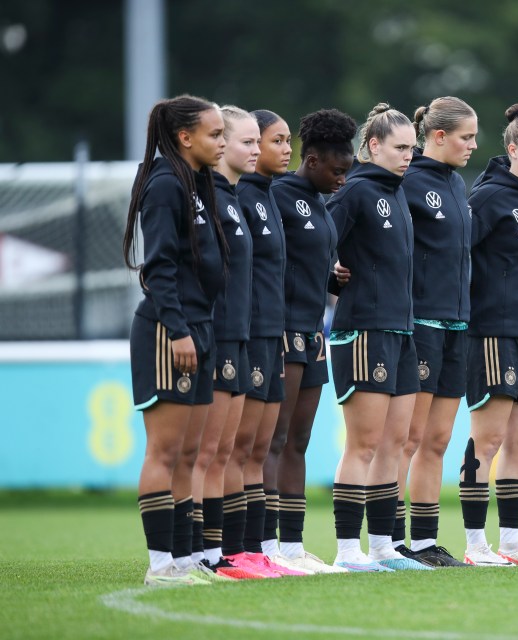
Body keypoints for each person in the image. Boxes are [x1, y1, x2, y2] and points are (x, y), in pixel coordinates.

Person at [122, 94, 228, 586]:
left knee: (190, 454)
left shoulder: (195, 184)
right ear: (185, 137)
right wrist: (179, 330)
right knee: (164, 452)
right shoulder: (165, 184)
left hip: (199, 328)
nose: (223, 142)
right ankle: (160, 563)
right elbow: (160, 266)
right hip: (170, 331)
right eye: (215, 134)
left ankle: (184, 559)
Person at [327, 103, 432, 572]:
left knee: (396, 442)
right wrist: (330, 274)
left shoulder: (399, 192)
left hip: (402, 331)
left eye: (413, 147)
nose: (409, 155)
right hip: (364, 331)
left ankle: (383, 547)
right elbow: (313, 244)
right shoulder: (354, 192)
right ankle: (348, 551)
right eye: (400, 147)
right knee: (363, 444)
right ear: (372, 146)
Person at [459, 104, 518, 567]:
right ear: (512, 149)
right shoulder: (490, 196)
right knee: (487, 441)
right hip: (495, 332)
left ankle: (511, 543)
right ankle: (475, 544)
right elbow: (457, 251)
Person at [265, 108, 357, 574]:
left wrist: (333, 279)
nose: (343, 179)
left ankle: (294, 546)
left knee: (299, 440)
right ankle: (264, 546)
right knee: (273, 438)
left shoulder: (321, 201)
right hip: (280, 330)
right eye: (337, 170)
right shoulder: (278, 195)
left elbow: (309, 268)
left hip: (312, 332)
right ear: (313, 159)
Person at [390, 97, 476, 568]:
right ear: (438, 137)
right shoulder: (408, 181)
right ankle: (392, 541)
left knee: (438, 441)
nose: (473, 145)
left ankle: (423, 541)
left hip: (458, 323)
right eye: (466, 136)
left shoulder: (457, 183)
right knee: (409, 437)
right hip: (420, 322)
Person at [189, 105, 267, 579]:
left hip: (240, 336)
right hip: (214, 336)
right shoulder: (207, 199)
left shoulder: (234, 197)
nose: (255, 149)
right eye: (245, 141)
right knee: (205, 450)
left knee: (223, 451)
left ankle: (217, 552)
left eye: (259, 141)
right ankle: (193, 551)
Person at [225, 109, 303, 576]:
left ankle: (256, 548)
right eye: (256, 141)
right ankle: (226, 549)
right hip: (246, 334)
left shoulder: (266, 195)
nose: (266, 150)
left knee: (257, 449)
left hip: (271, 334)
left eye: (266, 142)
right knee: (236, 449)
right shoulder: (240, 196)